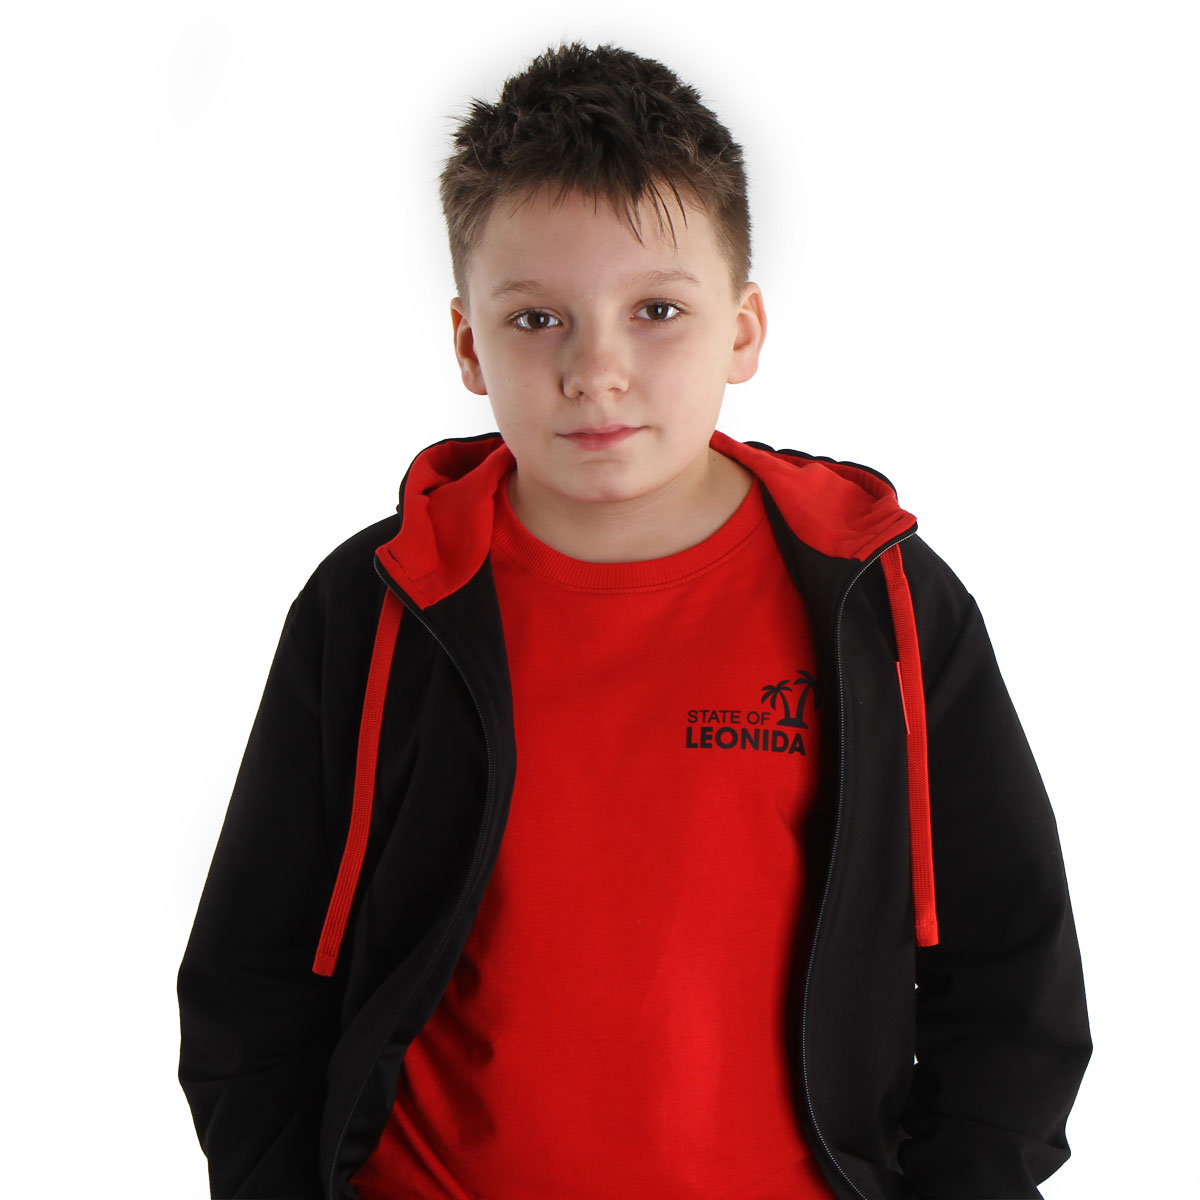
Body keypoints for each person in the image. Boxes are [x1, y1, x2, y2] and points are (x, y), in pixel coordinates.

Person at [177, 41, 1091, 1200]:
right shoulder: (378, 604)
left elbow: (1009, 978)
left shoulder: (882, 599)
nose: (596, 370)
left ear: (743, 329)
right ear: (467, 343)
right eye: (535, 318)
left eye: (657, 309)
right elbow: (253, 980)